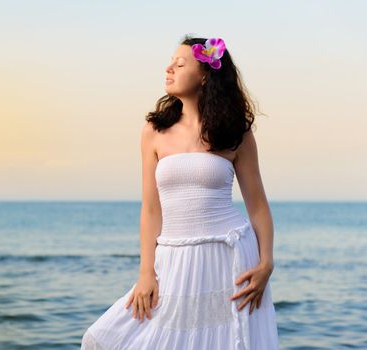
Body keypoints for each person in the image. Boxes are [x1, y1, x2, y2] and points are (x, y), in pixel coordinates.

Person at [81, 35, 279, 350]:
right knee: (100, 340)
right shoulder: (153, 132)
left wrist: (267, 262)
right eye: (171, 62)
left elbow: (258, 207)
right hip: (172, 256)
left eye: (180, 63)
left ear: (204, 75)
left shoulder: (235, 133)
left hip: (229, 257)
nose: (168, 68)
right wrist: (146, 271)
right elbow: (150, 209)